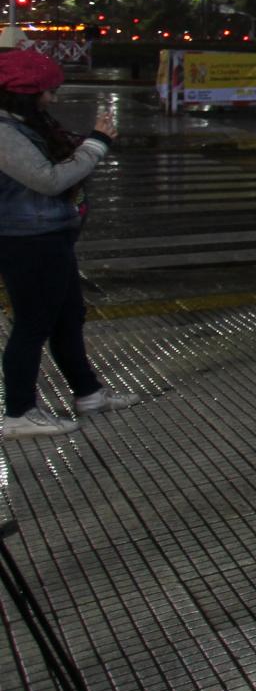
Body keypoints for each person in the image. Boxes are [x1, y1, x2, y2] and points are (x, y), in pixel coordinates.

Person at [0, 48, 136, 439]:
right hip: (27, 241)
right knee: (32, 324)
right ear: (23, 93)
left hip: (47, 236)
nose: (52, 99)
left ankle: (89, 393)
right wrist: (96, 144)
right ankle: (19, 411)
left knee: (67, 317)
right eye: (46, 91)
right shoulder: (4, 131)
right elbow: (49, 180)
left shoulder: (23, 122)